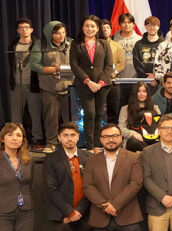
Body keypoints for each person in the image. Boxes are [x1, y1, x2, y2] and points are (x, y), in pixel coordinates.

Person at [69, 15, 113, 153]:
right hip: (85, 85)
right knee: (89, 113)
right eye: (87, 26)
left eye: (93, 26)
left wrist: (100, 83)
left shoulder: (104, 43)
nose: (90, 29)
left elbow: (109, 65)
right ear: (82, 28)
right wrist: (88, 81)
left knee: (99, 115)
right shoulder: (76, 44)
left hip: (102, 85)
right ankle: (89, 147)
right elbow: (74, 65)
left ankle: (96, 146)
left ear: (98, 28)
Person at [30, 21, 73, 153]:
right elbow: (34, 65)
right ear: (50, 34)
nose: (61, 36)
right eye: (57, 33)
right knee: (51, 117)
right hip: (49, 87)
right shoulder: (41, 44)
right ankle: (51, 143)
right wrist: (53, 69)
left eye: (63, 32)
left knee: (70, 117)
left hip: (70, 87)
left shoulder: (71, 43)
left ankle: (70, 143)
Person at [8, 18, 43, 145]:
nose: (24, 30)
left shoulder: (37, 45)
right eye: (21, 28)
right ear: (18, 30)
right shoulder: (13, 45)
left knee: (35, 113)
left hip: (33, 84)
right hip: (17, 83)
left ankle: (37, 137)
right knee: (16, 114)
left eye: (26, 27)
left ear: (31, 29)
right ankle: (17, 138)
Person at [119, 81, 161, 152]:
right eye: (138, 91)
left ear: (147, 93)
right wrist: (133, 134)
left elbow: (161, 125)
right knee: (134, 142)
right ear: (134, 93)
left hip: (153, 139)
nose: (142, 94)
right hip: (136, 141)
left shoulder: (155, 108)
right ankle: (150, 151)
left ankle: (149, 151)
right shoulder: (125, 109)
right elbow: (121, 128)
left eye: (144, 91)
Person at [101, 19, 126, 125]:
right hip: (98, 82)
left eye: (107, 28)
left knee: (114, 109)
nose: (105, 30)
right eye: (103, 28)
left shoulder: (117, 46)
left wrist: (110, 74)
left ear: (111, 30)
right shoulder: (94, 45)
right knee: (99, 110)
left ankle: (113, 130)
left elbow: (122, 64)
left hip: (113, 81)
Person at [132, 16, 164, 91]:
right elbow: (137, 63)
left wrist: (156, 76)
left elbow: (165, 63)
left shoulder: (164, 44)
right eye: (149, 25)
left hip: (160, 81)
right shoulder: (139, 44)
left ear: (158, 27)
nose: (152, 27)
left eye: (154, 25)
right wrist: (147, 77)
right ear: (145, 27)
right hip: (143, 81)